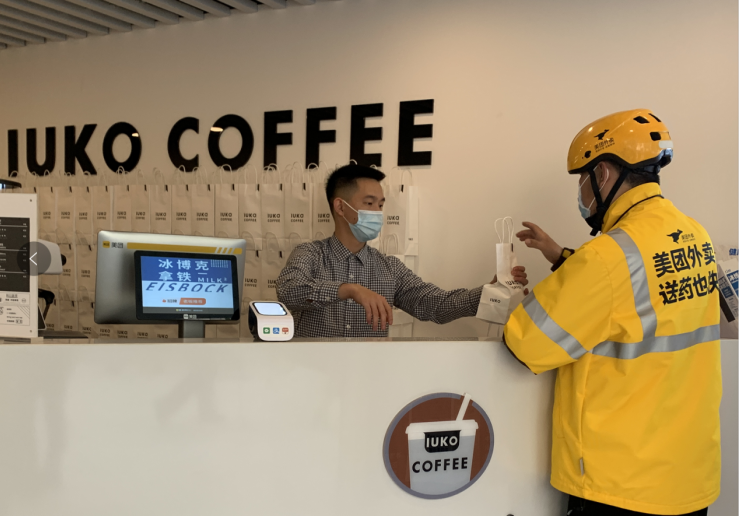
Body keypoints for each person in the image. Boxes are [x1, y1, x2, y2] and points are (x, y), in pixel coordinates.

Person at [504, 109, 721, 516]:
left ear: (602, 173)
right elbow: (638, 294)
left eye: (582, 180)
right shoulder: (695, 234)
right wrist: (563, 257)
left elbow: (526, 343)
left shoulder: (606, 256)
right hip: (687, 477)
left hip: (622, 485)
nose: (581, 192)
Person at [276, 164, 528, 337]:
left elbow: (435, 304)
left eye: (380, 205)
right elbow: (288, 290)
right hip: (311, 376)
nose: (377, 212)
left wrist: (489, 292)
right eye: (369, 203)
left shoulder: (389, 268)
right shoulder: (310, 254)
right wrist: (350, 290)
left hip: (366, 379)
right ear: (340, 207)